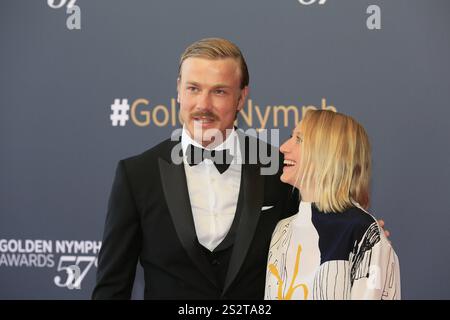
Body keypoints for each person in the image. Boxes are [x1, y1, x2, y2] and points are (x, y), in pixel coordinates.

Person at [92, 38, 299, 299]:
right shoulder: (137, 175)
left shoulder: (278, 169)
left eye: (219, 91)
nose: (203, 105)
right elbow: (112, 287)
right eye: (193, 89)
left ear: (241, 97)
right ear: (178, 90)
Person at [264, 110, 401, 300]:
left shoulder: (363, 233)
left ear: (328, 153)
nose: (284, 148)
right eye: (291, 137)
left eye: (299, 140)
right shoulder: (282, 230)